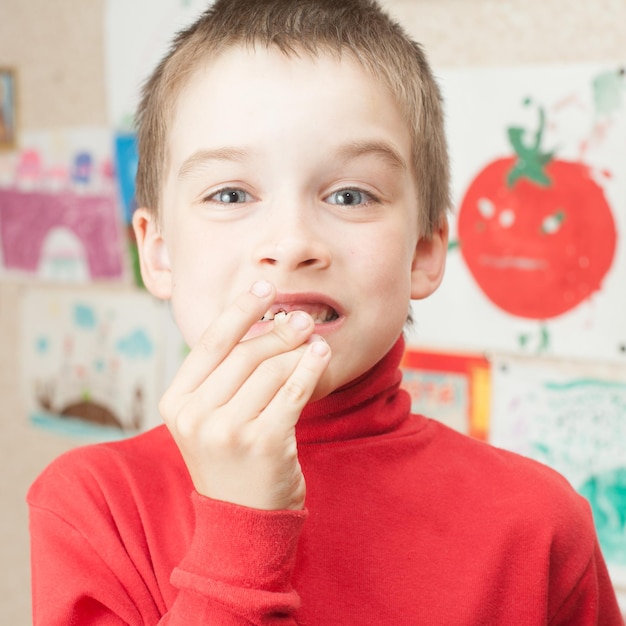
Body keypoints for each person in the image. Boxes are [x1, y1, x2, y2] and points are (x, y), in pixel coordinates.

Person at [28, 0, 625, 623]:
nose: (291, 243)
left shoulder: (540, 521)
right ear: (157, 253)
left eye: (350, 194)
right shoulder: (92, 508)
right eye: (230, 193)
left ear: (424, 251)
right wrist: (237, 539)